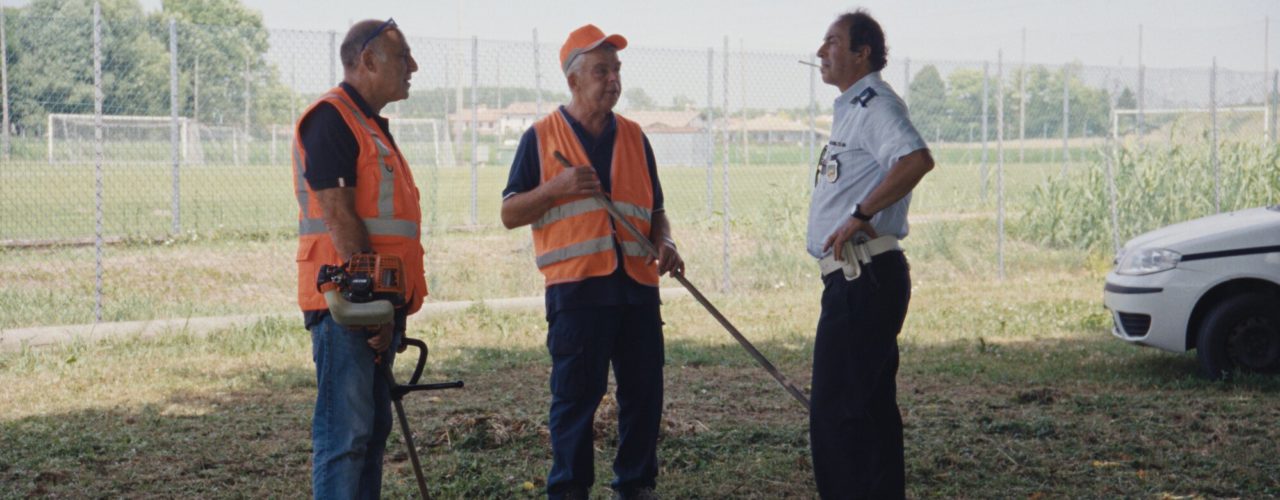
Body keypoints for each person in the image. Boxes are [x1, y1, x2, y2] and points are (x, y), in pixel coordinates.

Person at [500, 24, 683, 500]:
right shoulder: (540, 138)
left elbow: (656, 211)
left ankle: (636, 485)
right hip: (578, 291)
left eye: (617, 69)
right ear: (573, 80)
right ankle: (569, 489)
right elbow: (510, 213)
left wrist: (665, 241)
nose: (613, 79)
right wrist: (556, 188)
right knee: (576, 398)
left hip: (638, 288)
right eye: (601, 71)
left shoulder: (636, 137)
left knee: (644, 394)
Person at [290, 18, 425, 499]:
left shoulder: (367, 125)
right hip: (346, 308)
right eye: (403, 56)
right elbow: (340, 218)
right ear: (367, 61)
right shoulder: (331, 119)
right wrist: (373, 308)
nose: (413, 66)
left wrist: (386, 308)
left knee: (368, 436)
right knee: (345, 439)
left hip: (371, 307)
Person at [807, 9, 935, 499]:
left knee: (837, 414)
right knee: (869, 410)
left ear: (862, 53)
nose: (821, 51)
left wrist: (860, 214)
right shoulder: (852, 108)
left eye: (832, 42)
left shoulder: (875, 104)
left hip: (863, 276)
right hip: (858, 278)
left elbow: (916, 159)